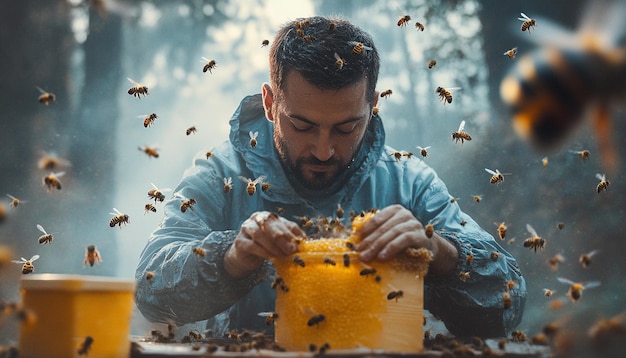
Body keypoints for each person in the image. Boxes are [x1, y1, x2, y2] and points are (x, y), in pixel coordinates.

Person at [135, 15, 526, 338]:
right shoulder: (221, 173)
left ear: (372, 107)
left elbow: (508, 306)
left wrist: (442, 254)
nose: (324, 150)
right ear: (271, 103)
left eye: (346, 127)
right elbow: (150, 292)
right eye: (302, 126)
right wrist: (232, 256)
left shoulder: (409, 182)